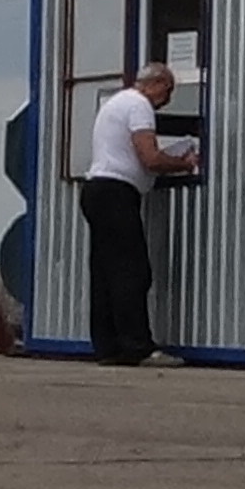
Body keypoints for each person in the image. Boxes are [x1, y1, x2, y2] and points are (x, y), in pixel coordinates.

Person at [79, 63, 199, 366]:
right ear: (155, 83)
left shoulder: (116, 103)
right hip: (117, 193)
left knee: (105, 273)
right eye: (168, 89)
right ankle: (138, 346)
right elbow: (150, 158)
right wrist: (186, 163)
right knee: (132, 271)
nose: (168, 99)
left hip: (96, 189)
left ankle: (108, 347)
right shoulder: (139, 105)